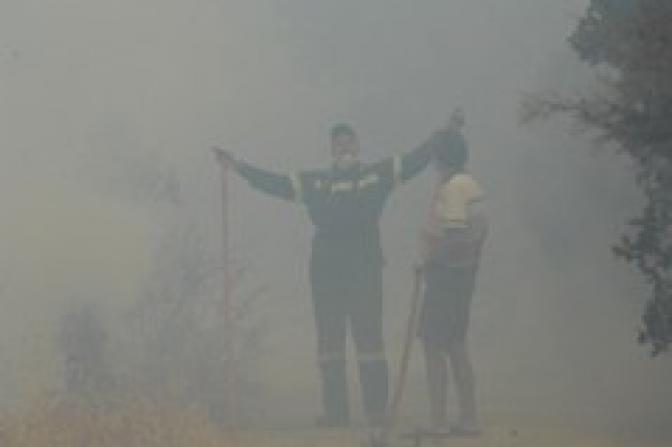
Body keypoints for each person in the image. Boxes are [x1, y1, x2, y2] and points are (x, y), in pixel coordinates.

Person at [213, 123, 442, 428]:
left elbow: (414, 162)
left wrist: (440, 138)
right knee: (330, 345)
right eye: (339, 145)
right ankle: (336, 413)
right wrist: (238, 167)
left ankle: (376, 410)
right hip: (326, 274)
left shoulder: (375, 176)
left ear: (358, 146)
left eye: (349, 143)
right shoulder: (316, 183)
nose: (345, 149)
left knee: (369, 341)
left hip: (365, 270)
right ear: (332, 149)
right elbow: (277, 184)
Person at [417, 109, 487, 436]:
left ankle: (439, 420)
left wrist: (428, 262)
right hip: (464, 275)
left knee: (433, 343)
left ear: (440, 158)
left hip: (446, 276)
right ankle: (468, 418)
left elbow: (455, 234)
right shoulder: (469, 183)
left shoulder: (454, 189)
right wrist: (451, 127)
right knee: (456, 343)